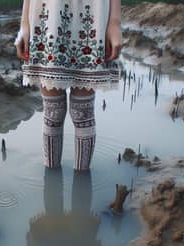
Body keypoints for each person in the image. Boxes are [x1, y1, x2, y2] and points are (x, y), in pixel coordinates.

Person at [15, 0, 122, 171]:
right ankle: (51, 185)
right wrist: (24, 24)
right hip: (48, 11)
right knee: (53, 113)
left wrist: (115, 22)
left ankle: (82, 182)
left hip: (92, 10)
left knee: (83, 115)